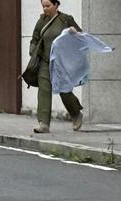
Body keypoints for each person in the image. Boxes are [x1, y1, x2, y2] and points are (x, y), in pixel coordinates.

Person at [28, 0, 83, 134]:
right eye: (43, 6)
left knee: (64, 90)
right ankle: (43, 123)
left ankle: (76, 113)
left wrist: (74, 32)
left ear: (56, 5)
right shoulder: (41, 21)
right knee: (44, 90)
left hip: (61, 62)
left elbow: (80, 35)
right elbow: (34, 39)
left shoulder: (66, 19)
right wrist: (33, 50)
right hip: (45, 62)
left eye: (48, 6)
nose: (45, 9)